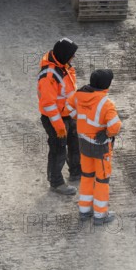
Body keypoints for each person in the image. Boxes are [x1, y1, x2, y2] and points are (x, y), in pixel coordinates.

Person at [65, 69, 121, 225]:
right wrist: (107, 134)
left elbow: (68, 110)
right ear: (106, 85)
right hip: (100, 148)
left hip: (84, 144)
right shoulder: (106, 103)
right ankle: (100, 215)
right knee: (102, 181)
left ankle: (84, 210)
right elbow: (115, 126)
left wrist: (82, 120)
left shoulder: (78, 95)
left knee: (87, 176)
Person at [38, 38, 81, 195]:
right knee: (58, 149)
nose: (74, 57)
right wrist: (59, 126)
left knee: (75, 142)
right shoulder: (49, 76)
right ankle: (56, 183)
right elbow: (49, 104)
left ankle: (76, 171)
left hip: (67, 114)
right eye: (72, 54)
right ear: (63, 55)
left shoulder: (64, 67)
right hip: (55, 119)